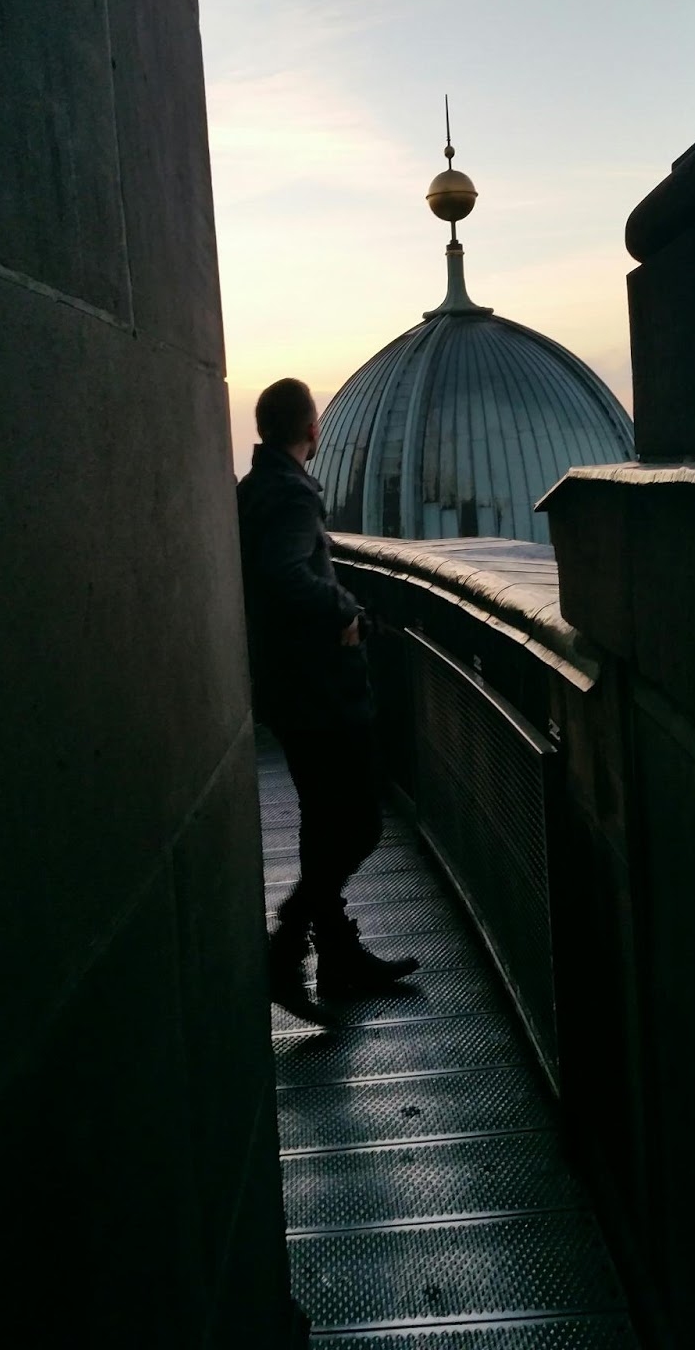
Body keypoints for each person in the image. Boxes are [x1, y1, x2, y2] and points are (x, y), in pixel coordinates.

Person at [237, 378, 419, 1023]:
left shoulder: (254, 489)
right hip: (322, 691)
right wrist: (345, 609)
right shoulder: (290, 495)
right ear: (311, 429)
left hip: (290, 689)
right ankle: (288, 947)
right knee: (359, 823)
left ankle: (337, 957)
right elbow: (285, 573)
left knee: (323, 821)